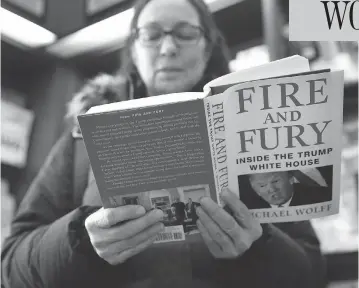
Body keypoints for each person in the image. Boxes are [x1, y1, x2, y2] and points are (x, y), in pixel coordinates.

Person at [1, 0, 328, 287]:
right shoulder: (80, 139)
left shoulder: (258, 139)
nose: (168, 48)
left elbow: (311, 273)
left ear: (207, 47)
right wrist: (80, 239)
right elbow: (11, 268)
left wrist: (258, 246)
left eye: (185, 33)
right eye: (152, 34)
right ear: (133, 50)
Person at [247, 171, 332, 209]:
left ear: (291, 179)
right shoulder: (249, 207)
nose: (272, 189)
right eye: (262, 186)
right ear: (256, 191)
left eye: (276, 181)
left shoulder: (319, 197)